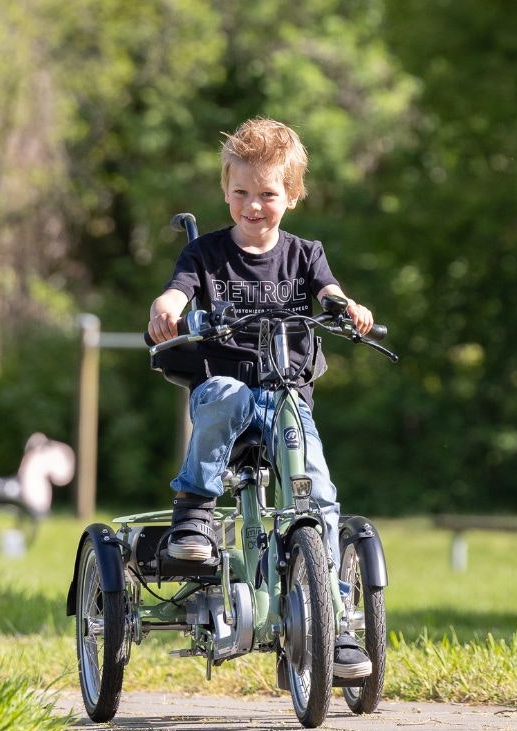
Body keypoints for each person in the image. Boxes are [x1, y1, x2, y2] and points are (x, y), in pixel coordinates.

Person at [147, 117, 374, 679]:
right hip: (227, 393)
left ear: (292, 195)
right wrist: (168, 306)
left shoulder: (305, 254)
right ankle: (193, 516)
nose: (253, 206)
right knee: (222, 393)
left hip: (286, 397)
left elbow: (330, 292)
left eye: (268, 194)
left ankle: (338, 624)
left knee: (318, 492)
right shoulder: (205, 254)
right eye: (241, 193)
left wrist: (348, 308)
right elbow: (179, 290)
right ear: (226, 192)